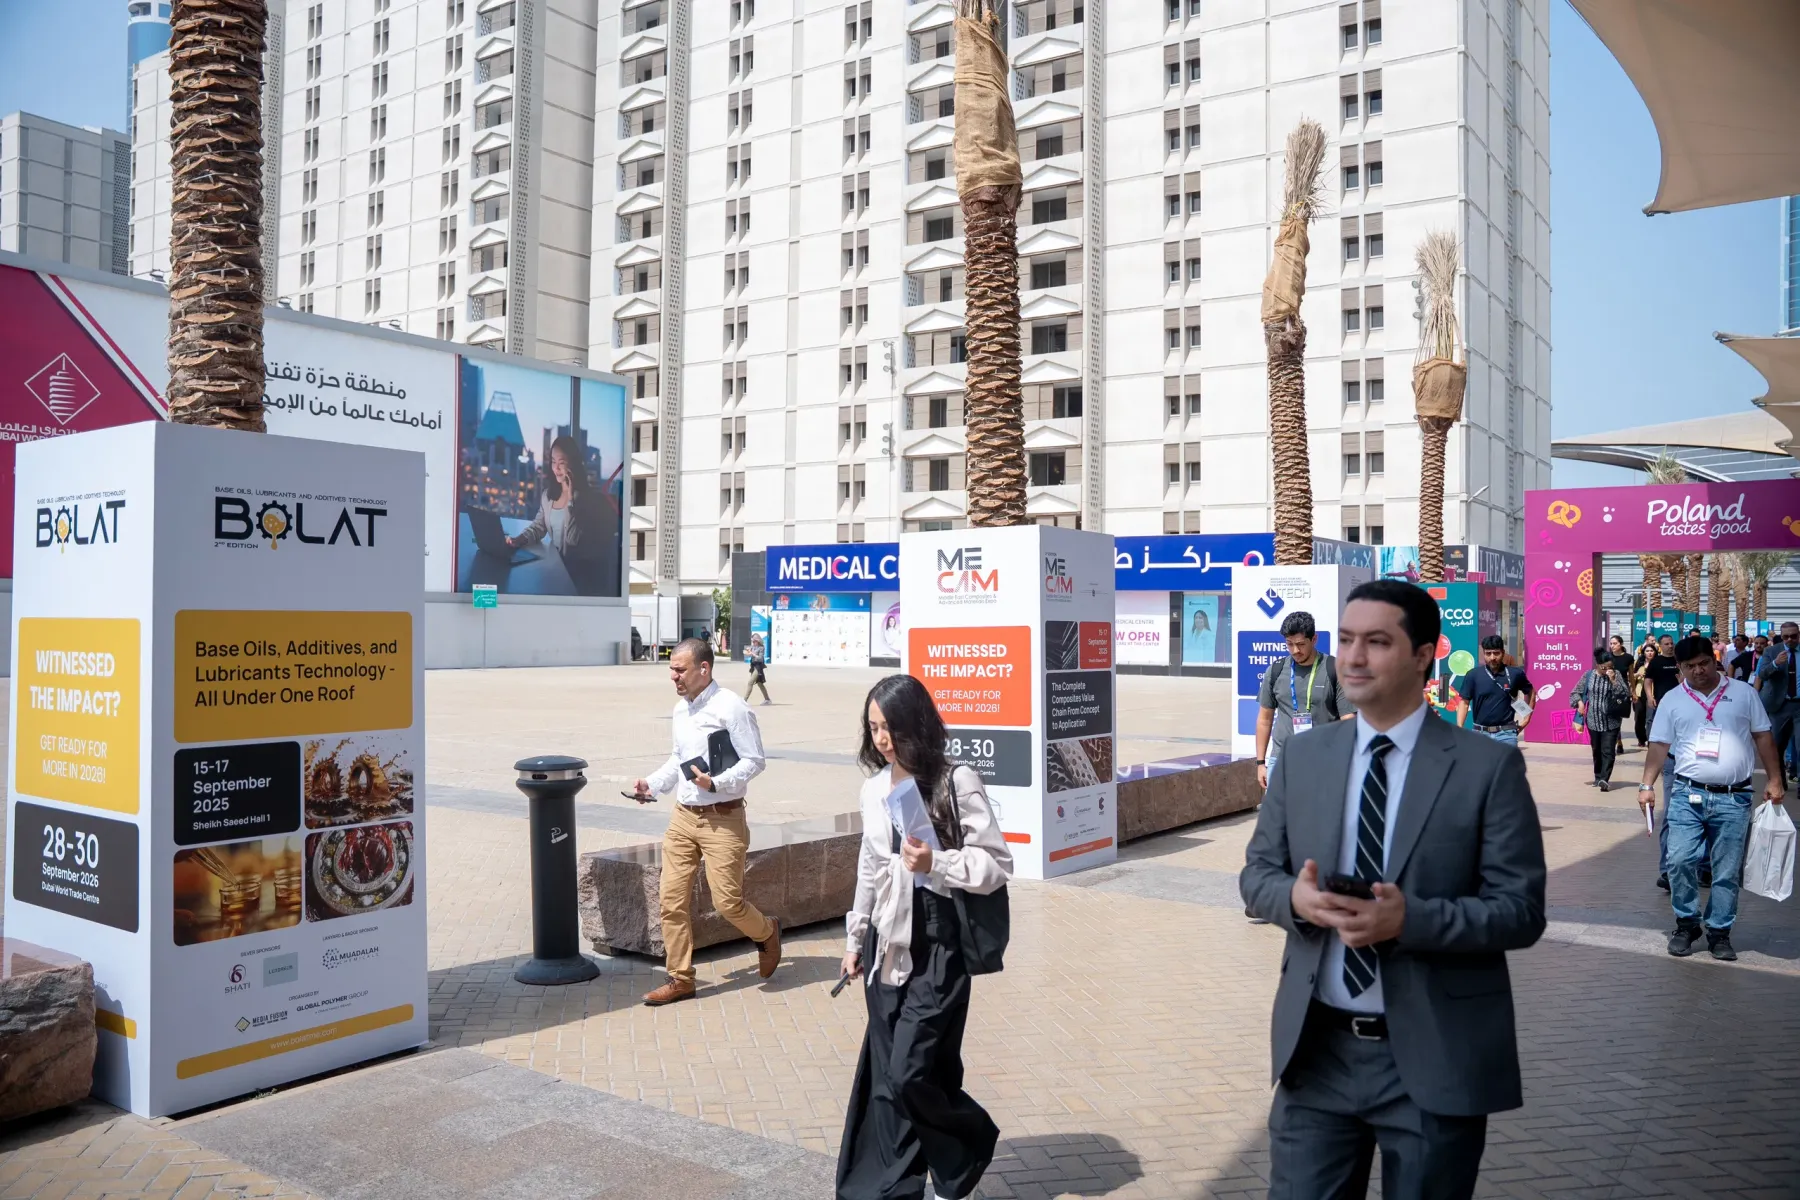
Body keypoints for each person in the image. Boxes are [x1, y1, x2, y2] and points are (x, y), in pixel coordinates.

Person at [1240, 579, 1546, 1199]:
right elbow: (1257, 876)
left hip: (1436, 1055)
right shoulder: (1303, 758)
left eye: (1377, 642)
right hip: (1317, 1055)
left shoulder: (1487, 768)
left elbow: (1521, 910)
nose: (1353, 658)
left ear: (1423, 655)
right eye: (1346, 639)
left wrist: (1411, 921)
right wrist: (1295, 901)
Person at [838, 674, 1012, 1200]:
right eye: (873, 728)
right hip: (887, 941)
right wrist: (854, 939)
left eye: (889, 727)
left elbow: (996, 864)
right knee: (889, 1076)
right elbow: (870, 865)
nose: (882, 739)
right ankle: (895, 1186)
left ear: (915, 724)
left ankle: (967, 1149)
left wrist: (937, 861)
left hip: (940, 940)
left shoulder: (956, 781)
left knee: (911, 1069)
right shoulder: (874, 788)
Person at [632, 638, 782, 1005]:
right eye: (671, 670)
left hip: (723, 819)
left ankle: (767, 933)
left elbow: (755, 760)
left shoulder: (732, 707)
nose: (674, 677)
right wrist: (652, 785)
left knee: (728, 902)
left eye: (679, 670)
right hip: (683, 818)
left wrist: (717, 783)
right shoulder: (680, 710)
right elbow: (677, 758)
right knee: (671, 901)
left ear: (704, 668)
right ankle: (680, 978)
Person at [1637, 634, 1785, 962]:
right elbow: (1659, 745)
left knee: (1726, 870)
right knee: (1679, 860)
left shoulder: (1743, 693)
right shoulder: (1673, 700)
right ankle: (1687, 924)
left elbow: (1763, 736)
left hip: (1734, 797)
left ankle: (1719, 931)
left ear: (1714, 660)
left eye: (1704, 663)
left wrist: (1775, 779)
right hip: (1687, 794)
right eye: (1690, 666)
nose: (1698, 671)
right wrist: (1646, 784)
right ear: (1680, 667)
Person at [507, 434, 622, 596]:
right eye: (553, 462)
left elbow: (572, 539)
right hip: (554, 569)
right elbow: (538, 527)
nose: (556, 468)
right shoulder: (548, 496)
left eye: (561, 463)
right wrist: (519, 539)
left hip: (578, 579)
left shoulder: (586, 499)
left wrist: (570, 499)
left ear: (573, 464)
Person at [1255, 611, 1356, 791]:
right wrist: (1260, 763)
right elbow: (1264, 719)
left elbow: (1348, 720)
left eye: (1301, 644)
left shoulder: (1334, 669)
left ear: (1314, 639)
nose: (1295, 650)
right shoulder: (1276, 670)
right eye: (1290, 644)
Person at [1455, 635, 1534, 743]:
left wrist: (1526, 719)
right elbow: (1464, 703)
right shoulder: (1473, 675)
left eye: (1496, 653)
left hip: (1507, 734)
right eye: (1488, 653)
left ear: (1503, 652)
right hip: (1480, 733)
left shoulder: (1515, 674)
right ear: (1484, 654)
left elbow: (1530, 692)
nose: (1492, 657)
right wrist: (1460, 728)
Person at [1571, 648, 1630, 790]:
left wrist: (1614, 681)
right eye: (1604, 667)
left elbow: (1624, 694)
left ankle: (1604, 779)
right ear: (1597, 665)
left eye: (1610, 667)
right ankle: (1598, 777)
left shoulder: (1616, 674)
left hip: (1611, 721)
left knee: (1608, 751)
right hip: (1593, 720)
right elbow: (1575, 692)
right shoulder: (1589, 675)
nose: (1607, 670)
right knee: (1596, 750)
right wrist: (1580, 703)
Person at [1755, 621, 1800, 791]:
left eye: (1793, 636)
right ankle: (1779, 781)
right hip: (1779, 706)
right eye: (1785, 637)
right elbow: (1762, 674)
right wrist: (1775, 663)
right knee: (1776, 747)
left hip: (1799, 705)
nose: (1789, 640)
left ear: (1798, 635)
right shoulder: (1771, 651)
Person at [1605, 634, 1636, 756]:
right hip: (1608, 689)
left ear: (1621, 644)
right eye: (1611, 643)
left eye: (1615, 643)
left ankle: (1618, 741)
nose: (1612, 646)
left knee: (1618, 717)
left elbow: (1631, 676)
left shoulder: (1628, 658)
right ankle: (1614, 741)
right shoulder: (1607, 657)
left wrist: (1633, 692)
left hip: (1622, 691)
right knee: (1608, 716)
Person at [1631, 635, 1659, 749]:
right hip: (1639, 694)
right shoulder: (1638, 663)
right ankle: (1641, 739)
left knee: (1650, 719)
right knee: (1638, 718)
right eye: (1647, 651)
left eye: (1652, 651)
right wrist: (1638, 674)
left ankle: (1650, 740)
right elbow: (1631, 677)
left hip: (1652, 694)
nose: (1650, 653)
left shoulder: (1658, 663)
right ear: (1643, 652)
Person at [745, 635, 772, 705]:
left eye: (754, 641)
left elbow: (760, 658)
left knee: (750, 682)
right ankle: (767, 699)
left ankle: (744, 700)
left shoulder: (761, 648)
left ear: (758, 641)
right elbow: (748, 654)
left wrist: (753, 654)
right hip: (753, 666)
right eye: (752, 641)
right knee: (760, 684)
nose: (753, 643)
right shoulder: (753, 647)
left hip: (758, 667)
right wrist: (748, 652)